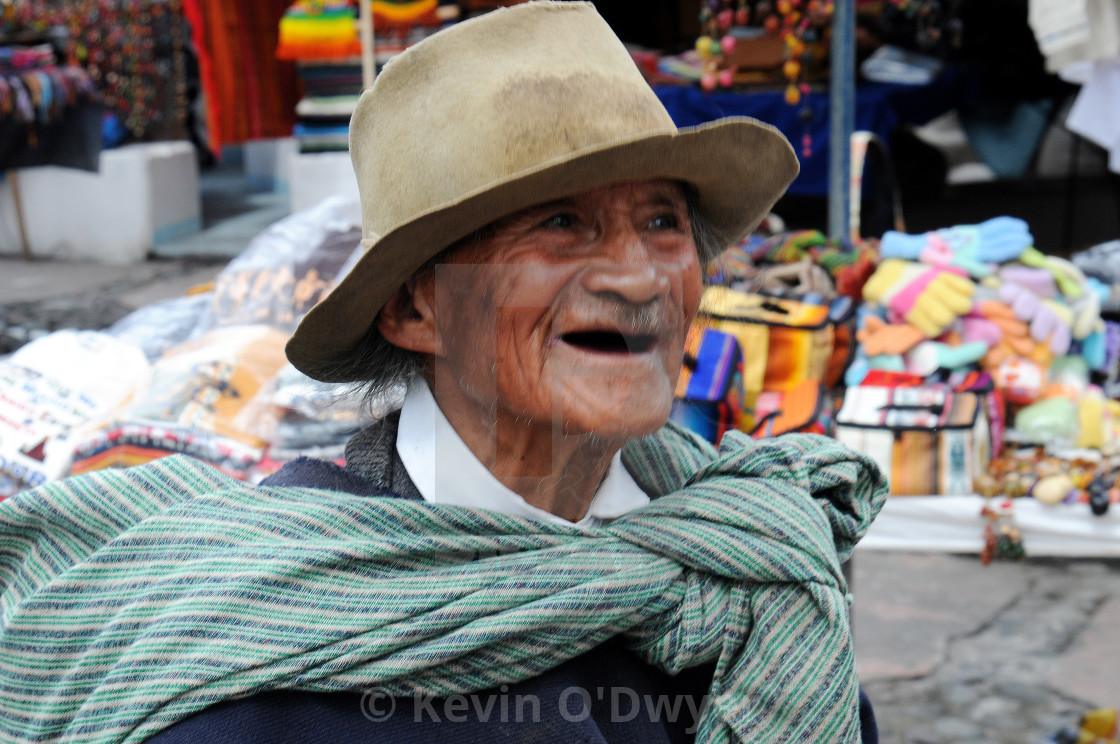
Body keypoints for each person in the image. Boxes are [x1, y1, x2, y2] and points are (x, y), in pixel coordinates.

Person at [0, 3, 887, 743]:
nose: (641, 276)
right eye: (561, 226)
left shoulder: (754, 562)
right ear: (414, 310)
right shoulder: (273, 662)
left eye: (662, 221)